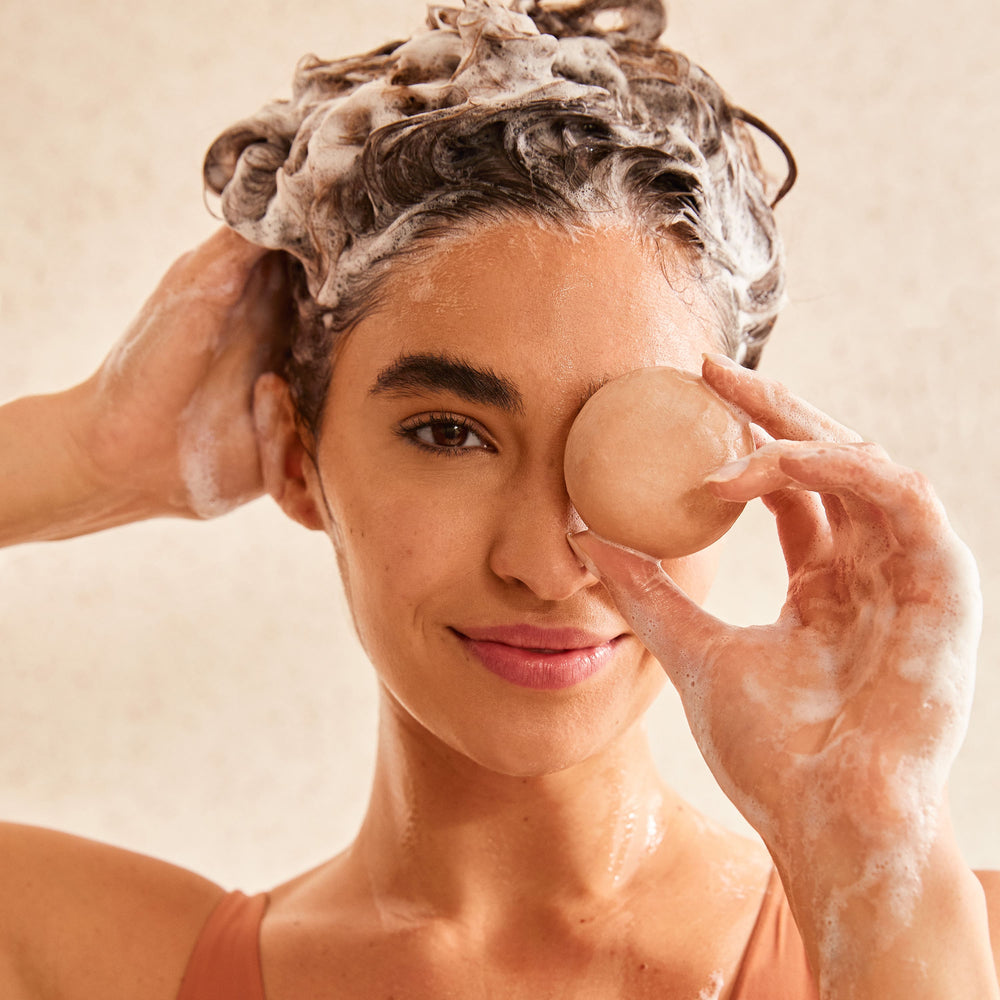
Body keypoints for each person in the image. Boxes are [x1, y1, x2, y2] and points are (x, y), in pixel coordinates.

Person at [1, 1, 997, 997]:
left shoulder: (963, 941)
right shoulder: (98, 963)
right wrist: (90, 450)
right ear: (300, 462)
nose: (545, 559)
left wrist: (873, 859)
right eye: (450, 433)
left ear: (747, 462)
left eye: (636, 440)